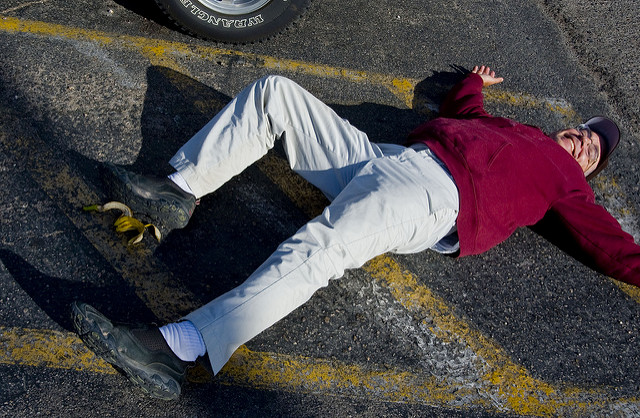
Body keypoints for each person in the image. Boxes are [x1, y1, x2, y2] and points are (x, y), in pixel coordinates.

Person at [71, 65, 638, 401]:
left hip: (431, 195)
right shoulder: (519, 130)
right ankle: (177, 191)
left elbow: (611, 248)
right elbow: (466, 110)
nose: (584, 141)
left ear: (588, 171)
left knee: (318, 250)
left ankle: (178, 349)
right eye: (584, 131)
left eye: (593, 150)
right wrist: (472, 82)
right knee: (277, 95)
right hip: (385, 158)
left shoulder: (568, 184)